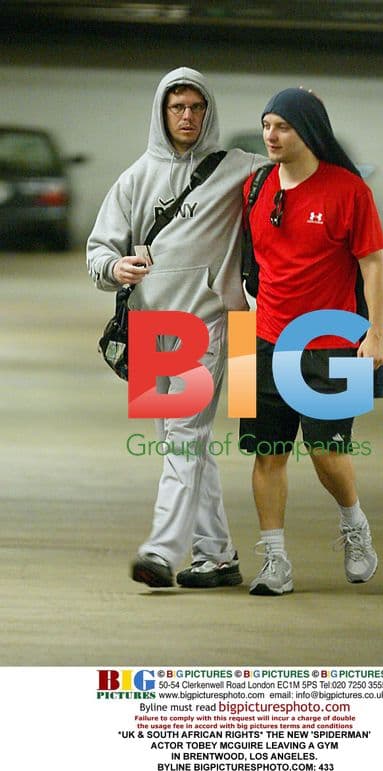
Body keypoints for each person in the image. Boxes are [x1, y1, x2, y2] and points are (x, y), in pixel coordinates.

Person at [87, 67, 267, 590]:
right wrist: (114, 268)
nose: (187, 116)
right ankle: (217, 554)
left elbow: (298, 167)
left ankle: (161, 550)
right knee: (181, 442)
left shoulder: (241, 169)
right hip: (150, 326)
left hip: (210, 324)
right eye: (177, 107)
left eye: (196, 107)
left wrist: (307, 121)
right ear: (162, 113)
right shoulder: (135, 178)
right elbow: (100, 249)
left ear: (208, 112)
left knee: (185, 437)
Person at [239, 87, 383, 596]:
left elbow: (372, 266)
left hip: (333, 341)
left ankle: (354, 526)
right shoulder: (256, 185)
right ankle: (275, 562)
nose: (271, 135)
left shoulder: (349, 191)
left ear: (309, 132)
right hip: (259, 338)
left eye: (282, 126)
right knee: (267, 453)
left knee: (328, 450)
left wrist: (375, 334)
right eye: (266, 125)